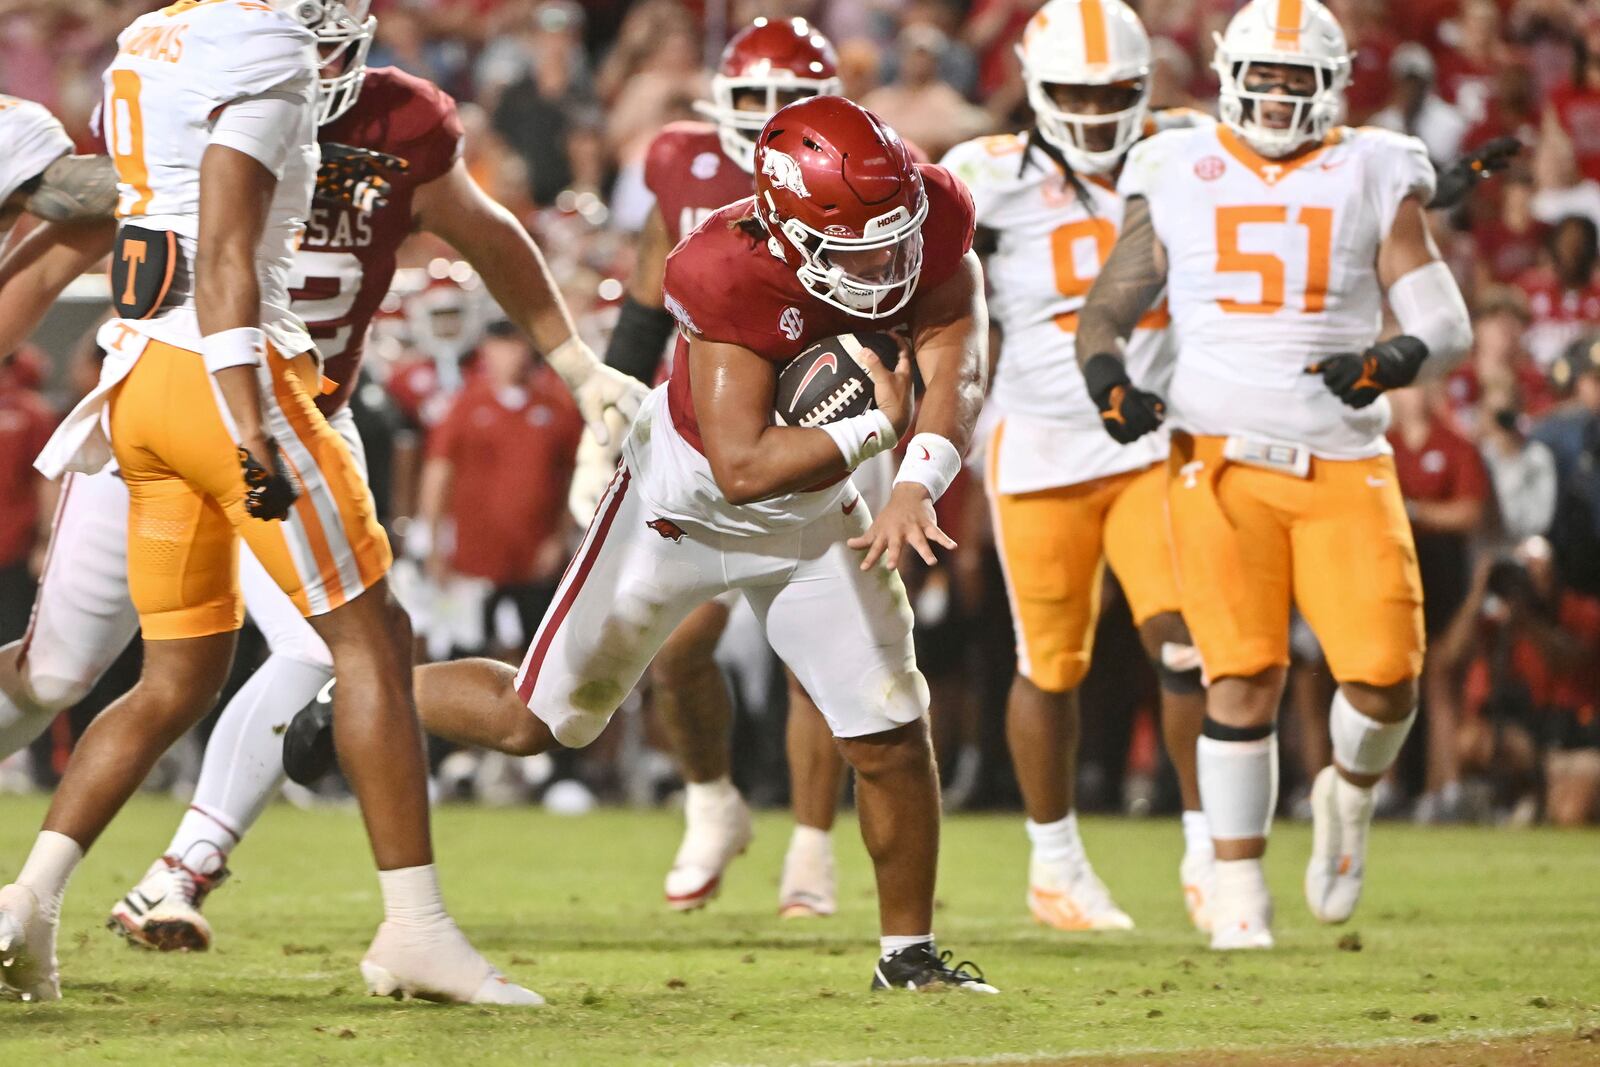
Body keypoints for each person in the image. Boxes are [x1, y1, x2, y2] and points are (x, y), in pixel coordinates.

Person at [0, 0, 645, 960]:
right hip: (184, 394)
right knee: (60, 672)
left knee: (331, 646)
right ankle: (54, 898)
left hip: (296, 415)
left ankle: (182, 868)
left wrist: (577, 362)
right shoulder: (208, 83)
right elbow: (70, 248)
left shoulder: (400, 124)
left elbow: (483, 227)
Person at [329, 95, 997, 992]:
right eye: (861, 247)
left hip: (817, 517)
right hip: (679, 513)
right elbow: (743, 465)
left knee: (887, 724)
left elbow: (957, 334)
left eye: (897, 235)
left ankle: (906, 958)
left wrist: (919, 473)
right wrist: (876, 431)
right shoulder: (725, 265)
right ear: (789, 228)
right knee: (537, 722)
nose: (889, 261)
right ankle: (358, 698)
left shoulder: (930, 208)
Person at [1074, 0, 1473, 948]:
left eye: (1301, 79)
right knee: (1239, 675)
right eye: (1269, 75)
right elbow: (1107, 308)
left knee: (1384, 681)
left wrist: (1388, 361)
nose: (1282, 93)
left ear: (1331, 85)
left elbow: (1445, 321)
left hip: (1341, 458)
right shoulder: (1172, 164)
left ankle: (1350, 791)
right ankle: (1239, 885)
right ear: (1231, 74)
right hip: (1214, 460)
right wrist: (1108, 383)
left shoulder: (1375, 165)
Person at [571, 16, 855, 917]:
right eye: (752, 101)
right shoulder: (679, 159)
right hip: (696, 434)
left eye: (788, 101)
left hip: (813, 425)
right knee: (674, 647)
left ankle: (812, 850)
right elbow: (650, 293)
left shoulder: (855, 166)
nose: (767, 118)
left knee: (822, 655)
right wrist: (602, 413)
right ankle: (711, 801)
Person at [941, 0, 1213, 935]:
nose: (1095, 113)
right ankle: (1053, 863)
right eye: (1073, 93)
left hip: (1153, 442)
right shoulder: (982, 174)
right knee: (1048, 666)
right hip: (1043, 442)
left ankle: (1208, 848)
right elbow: (928, 296)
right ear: (1032, 83)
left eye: (1113, 94)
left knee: (1187, 643)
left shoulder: (1186, 150)